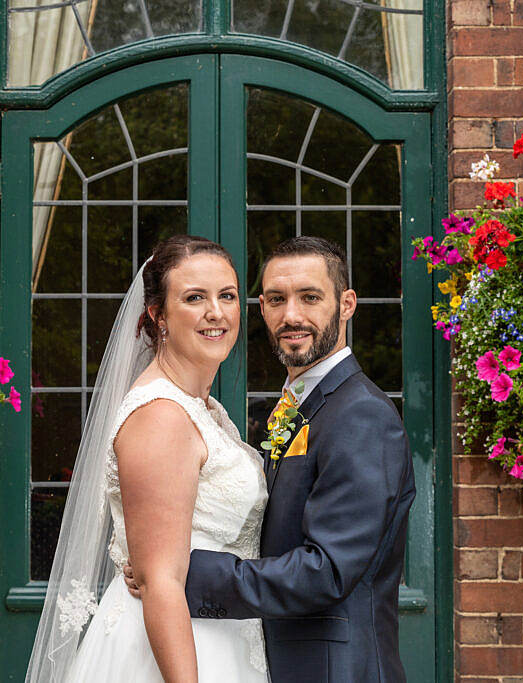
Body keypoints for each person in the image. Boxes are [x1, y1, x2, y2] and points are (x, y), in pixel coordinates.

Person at [125, 236, 416, 682]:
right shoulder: (298, 405)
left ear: (347, 304)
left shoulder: (361, 414)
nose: (291, 316)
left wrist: (185, 571)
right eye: (277, 299)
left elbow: (328, 571)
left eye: (310, 298)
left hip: (337, 669)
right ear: (261, 307)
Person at [25, 235, 270, 683]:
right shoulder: (161, 416)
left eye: (227, 296)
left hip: (222, 633)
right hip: (177, 651)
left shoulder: (203, 410)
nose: (216, 312)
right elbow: (159, 582)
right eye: (194, 298)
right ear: (158, 314)